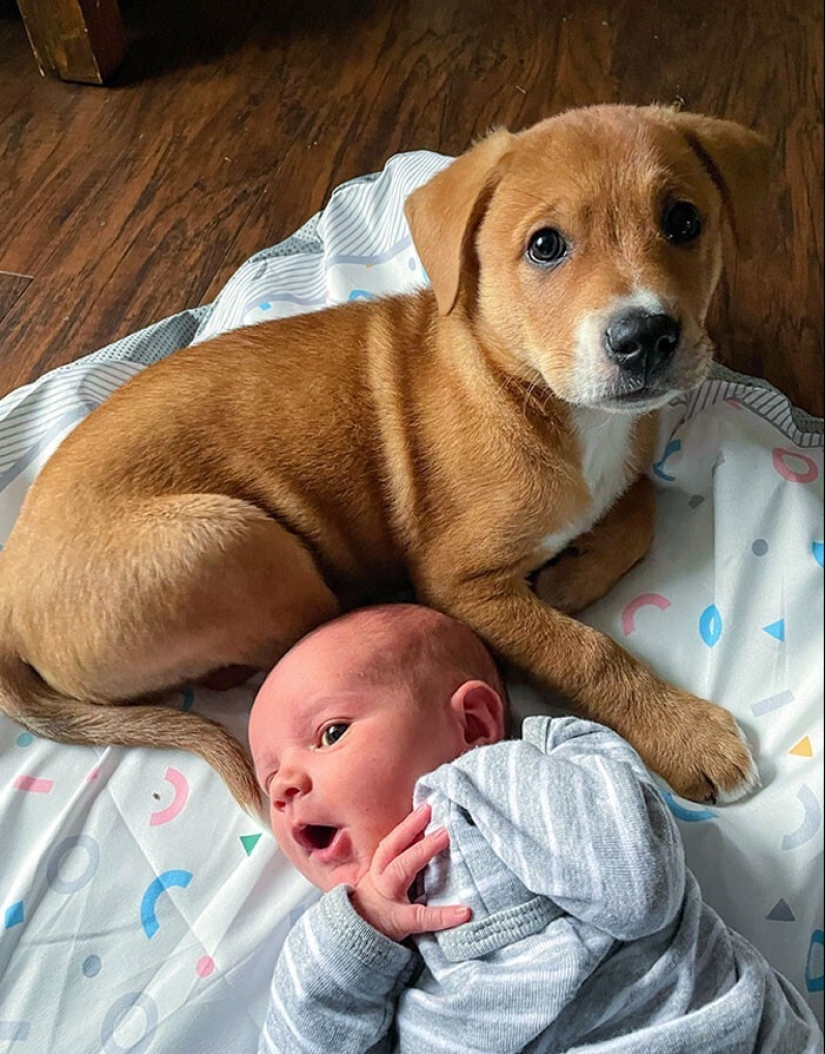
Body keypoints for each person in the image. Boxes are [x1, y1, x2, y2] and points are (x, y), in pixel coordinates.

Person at [249, 604, 822, 1054]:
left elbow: (639, 891)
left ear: (473, 723)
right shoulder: (351, 950)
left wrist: (479, 774)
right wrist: (357, 935)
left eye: (330, 734)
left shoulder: (559, 757)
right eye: (270, 777)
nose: (283, 788)